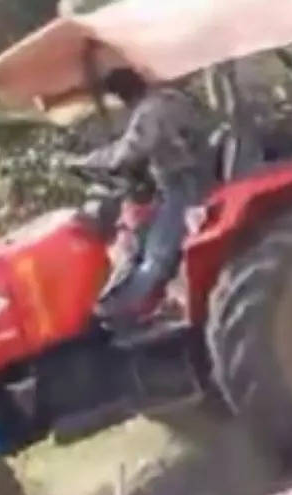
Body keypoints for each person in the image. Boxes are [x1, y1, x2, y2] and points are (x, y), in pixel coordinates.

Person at [68, 68, 212, 329]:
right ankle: (143, 297)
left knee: (157, 254)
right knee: (141, 237)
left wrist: (84, 161)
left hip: (186, 184)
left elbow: (126, 154)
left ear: (123, 95)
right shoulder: (171, 98)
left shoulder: (151, 111)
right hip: (187, 177)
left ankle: (115, 311)